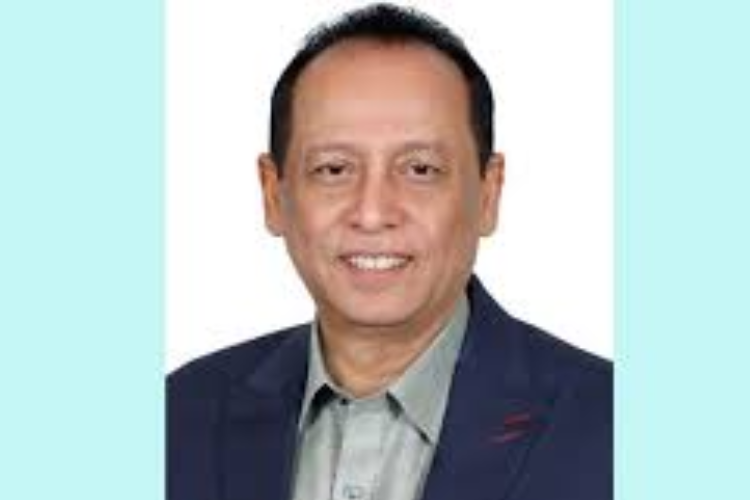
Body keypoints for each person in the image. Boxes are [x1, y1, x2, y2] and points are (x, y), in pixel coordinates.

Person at [167, 4, 612, 500]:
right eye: (334, 169)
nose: (373, 212)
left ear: (489, 194)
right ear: (274, 195)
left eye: (420, 170)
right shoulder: (178, 416)